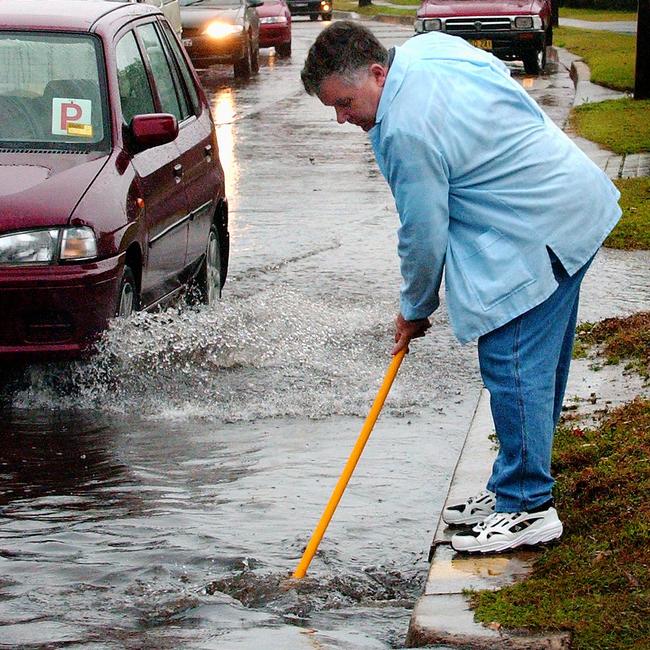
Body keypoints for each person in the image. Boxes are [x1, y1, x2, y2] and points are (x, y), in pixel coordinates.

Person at [301, 21, 621, 554]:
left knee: (512, 360)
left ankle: (526, 506)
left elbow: (423, 233)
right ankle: (511, 489)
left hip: (535, 228)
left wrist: (414, 308)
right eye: (333, 107)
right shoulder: (431, 50)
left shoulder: (404, 128)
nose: (343, 118)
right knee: (536, 368)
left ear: (378, 74)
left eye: (346, 102)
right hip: (569, 201)